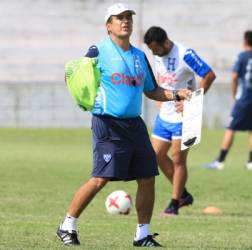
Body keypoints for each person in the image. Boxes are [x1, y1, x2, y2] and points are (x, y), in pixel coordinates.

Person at [56, 3, 192, 247]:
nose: (125, 21)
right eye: (119, 18)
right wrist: (84, 98)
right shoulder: (98, 50)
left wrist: (176, 94)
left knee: (148, 177)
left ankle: (142, 235)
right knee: (100, 179)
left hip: (135, 125)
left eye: (128, 17)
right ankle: (67, 225)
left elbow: (152, 90)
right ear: (109, 25)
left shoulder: (140, 56)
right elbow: (73, 73)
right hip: (107, 123)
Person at [144, 26, 216, 216]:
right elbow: (161, 76)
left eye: (155, 49)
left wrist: (194, 101)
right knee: (155, 155)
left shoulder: (186, 54)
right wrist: (161, 98)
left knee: (178, 159)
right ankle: (183, 193)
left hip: (186, 116)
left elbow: (209, 75)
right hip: (165, 114)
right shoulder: (157, 55)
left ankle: (174, 204)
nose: (153, 53)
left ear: (165, 42)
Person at [204, 30, 252, 170]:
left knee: (231, 127)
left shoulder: (242, 56)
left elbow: (234, 77)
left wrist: (234, 95)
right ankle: (251, 163)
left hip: (243, 98)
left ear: (245, 41)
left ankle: (220, 162)